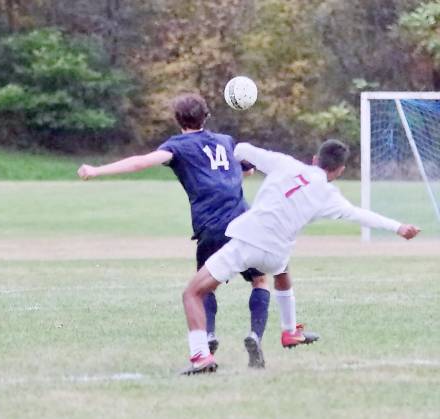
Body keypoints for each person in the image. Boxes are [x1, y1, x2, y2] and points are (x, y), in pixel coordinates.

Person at [77, 93, 310, 368]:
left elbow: (142, 161)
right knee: (260, 281)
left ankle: (207, 335)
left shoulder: (178, 146)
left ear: (178, 120)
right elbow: (246, 170)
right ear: (206, 117)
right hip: (245, 224)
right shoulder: (226, 141)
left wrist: (97, 170)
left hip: (210, 226)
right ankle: (254, 334)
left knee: (202, 289)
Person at [181, 139, 421, 374]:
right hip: (276, 254)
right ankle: (289, 331)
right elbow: (360, 215)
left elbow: (241, 149)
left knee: (193, 292)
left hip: (246, 242)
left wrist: (237, 165)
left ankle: (201, 355)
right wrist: (399, 227)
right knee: (282, 274)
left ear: (315, 159)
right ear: (339, 170)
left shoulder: (285, 163)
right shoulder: (329, 195)